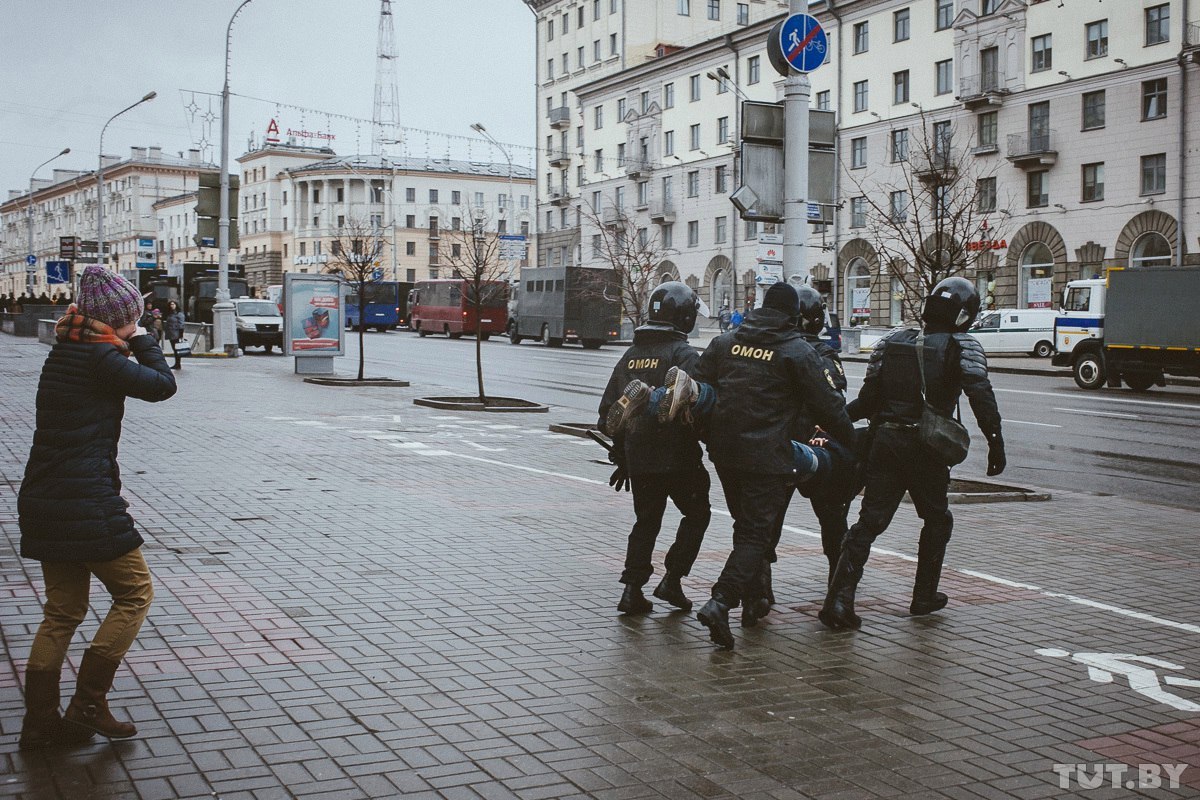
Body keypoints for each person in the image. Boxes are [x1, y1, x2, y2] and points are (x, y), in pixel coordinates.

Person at [17, 265, 177, 749]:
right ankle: (88, 702)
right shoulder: (99, 356)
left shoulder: (69, 347)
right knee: (135, 594)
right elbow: (161, 385)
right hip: (84, 500)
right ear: (118, 318)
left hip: (47, 496)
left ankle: (41, 723)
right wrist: (143, 336)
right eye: (130, 315)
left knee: (63, 611)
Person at [664, 282, 855, 649]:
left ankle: (753, 599)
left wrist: (708, 436)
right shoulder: (795, 351)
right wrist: (850, 443)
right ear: (793, 315)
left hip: (725, 454)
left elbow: (697, 392)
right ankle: (721, 601)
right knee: (756, 534)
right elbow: (830, 407)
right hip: (768, 457)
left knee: (746, 528)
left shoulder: (725, 343)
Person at [820, 276, 1005, 631]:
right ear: (965, 314)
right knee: (937, 519)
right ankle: (923, 596)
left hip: (885, 443)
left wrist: (834, 422)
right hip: (927, 449)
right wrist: (995, 442)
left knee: (868, 524)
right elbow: (980, 396)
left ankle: (839, 600)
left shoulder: (891, 342)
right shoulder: (963, 346)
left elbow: (867, 401)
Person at [599, 282, 711, 615]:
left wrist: (622, 457)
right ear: (686, 317)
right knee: (698, 513)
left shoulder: (630, 355)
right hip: (678, 457)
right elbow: (699, 407)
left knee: (645, 522)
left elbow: (607, 412)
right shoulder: (685, 355)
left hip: (639, 455)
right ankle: (672, 580)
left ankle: (632, 591)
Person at [163, 300, 186, 370]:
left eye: (173, 304)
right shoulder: (170, 314)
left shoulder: (179, 314)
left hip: (176, 333)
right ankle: (177, 363)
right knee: (174, 349)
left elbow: (181, 324)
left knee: (177, 349)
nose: (172, 306)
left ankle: (178, 364)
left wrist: (181, 335)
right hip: (171, 333)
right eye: (171, 305)